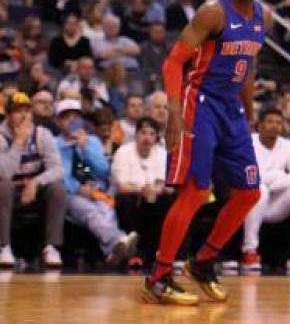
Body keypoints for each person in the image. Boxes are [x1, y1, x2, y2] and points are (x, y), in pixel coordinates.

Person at [143, 0, 269, 305]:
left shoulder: (262, 15)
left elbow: (247, 66)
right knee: (196, 191)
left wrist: (249, 109)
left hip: (231, 109)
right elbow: (172, 63)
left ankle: (202, 261)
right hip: (198, 103)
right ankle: (159, 276)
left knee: (250, 192)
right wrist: (173, 113)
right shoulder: (213, 12)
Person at [55, 107, 138, 265]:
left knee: (106, 209)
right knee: (90, 211)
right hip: (70, 194)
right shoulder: (55, 144)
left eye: (76, 117)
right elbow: (61, 173)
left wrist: (85, 148)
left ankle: (112, 253)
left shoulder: (92, 141)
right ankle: (118, 240)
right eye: (67, 117)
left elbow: (102, 170)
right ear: (58, 121)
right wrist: (78, 188)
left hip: (96, 191)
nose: (72, 120)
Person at [242, 108, 290, 274]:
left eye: (278, 123)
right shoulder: (249, 142)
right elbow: (251, 176)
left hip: (276, 203)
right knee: (259, 189)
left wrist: (274, 183)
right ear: (259, 125)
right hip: (251, 203)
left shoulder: (288, 145)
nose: (274, 126)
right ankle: (249, 251)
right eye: (270, 122)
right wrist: (278, 176)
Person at [0, 92, 66, 268]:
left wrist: (36, 182)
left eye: (27, 111)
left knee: (58, 189)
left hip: (33, 189)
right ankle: (3, 246)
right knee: (4, 186)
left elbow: (58, 169)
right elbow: (4, 172)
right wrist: (18, 143)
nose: (24, 116)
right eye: (18, 111)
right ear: (8, 115)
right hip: (8, 190)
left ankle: (52, 247)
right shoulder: (1, 136)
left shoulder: (42, 134)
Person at [112, 116, 171, 263]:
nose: (147, 138)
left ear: (156, 137)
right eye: (143, 133)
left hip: (154, 196)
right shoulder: (123, 152)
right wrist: (142, 190)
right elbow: (122, 186)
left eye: (151, 134)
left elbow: (164, 184)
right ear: (136, 134)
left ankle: (157, 253)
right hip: (130, 196)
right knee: (125, 200)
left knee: (164, 201)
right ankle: (133, 251)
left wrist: (154, 190)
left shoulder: (162, 154)